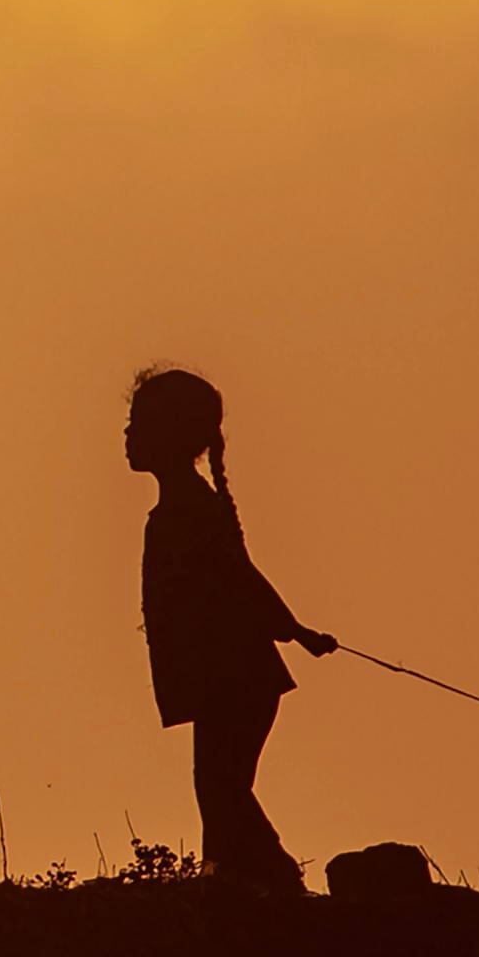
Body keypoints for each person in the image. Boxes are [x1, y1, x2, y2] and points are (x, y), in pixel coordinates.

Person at [125, 366, 335, 887]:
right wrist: (296, 631)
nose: (127, 437)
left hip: (235, 676)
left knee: (221, 788)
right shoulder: (183, 509)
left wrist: (293, 630)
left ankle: (272, 882)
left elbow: (241, 580)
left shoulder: (190, 513)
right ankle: (229, 880)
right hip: (227, 677)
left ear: (170, 435)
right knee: (218, 787)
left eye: (138, 425)